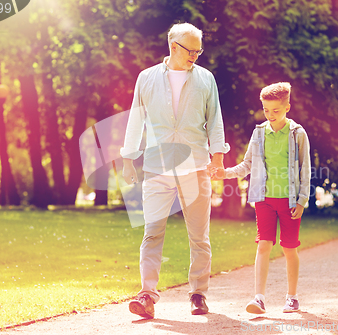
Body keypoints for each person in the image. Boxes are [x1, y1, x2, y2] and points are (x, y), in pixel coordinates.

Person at [120, 22, 230, 319]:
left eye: (199, 50)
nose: (195, 55)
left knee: (199, 236)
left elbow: (215, 120)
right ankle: (146, 294)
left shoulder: (206, 79)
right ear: (173, 46)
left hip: (195, 167)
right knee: (152, 232)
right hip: (157, 168)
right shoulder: (146, 78)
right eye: (191, 50)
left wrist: (217, 158)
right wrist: (129, 158)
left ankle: (198, 293)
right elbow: (135, 120)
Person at [214, 82, 310, 314]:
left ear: (287, 107)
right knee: (263, 245)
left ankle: (292, 297)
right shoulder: (259, 133)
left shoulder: (297, 134)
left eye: (276, 111)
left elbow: (304, 169)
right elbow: (248, 164)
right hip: (264, 199)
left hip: (289, 200)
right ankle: (258, 298)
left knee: (289, 248)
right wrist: (225, 173)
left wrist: (302, 200)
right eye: (266, 110)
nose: (271, 115)